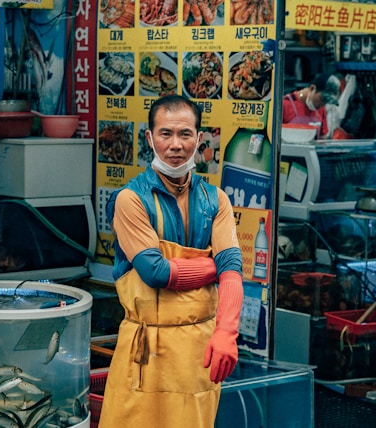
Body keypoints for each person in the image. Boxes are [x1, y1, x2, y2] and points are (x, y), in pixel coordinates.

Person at [99, 95, 244, 428]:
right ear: (149, 138)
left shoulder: (215, 199)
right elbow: (156, 272)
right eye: (165, 134)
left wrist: (227, 332)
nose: (175, 145)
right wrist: (215, 266)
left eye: (185, 134)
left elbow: (233, 276)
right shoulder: (130, 199)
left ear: (199, 138)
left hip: (198, 353)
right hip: (145, 351)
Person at [282, 73, 341, 139]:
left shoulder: (321, 108)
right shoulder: (285, 104)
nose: (323, 105)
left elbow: (323, 138)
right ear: (312, 88)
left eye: (326, 102)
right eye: (321, 99)